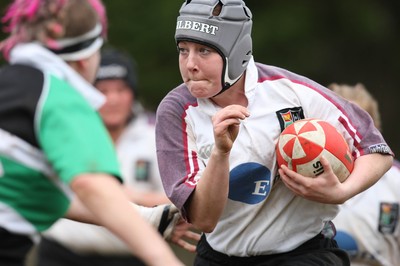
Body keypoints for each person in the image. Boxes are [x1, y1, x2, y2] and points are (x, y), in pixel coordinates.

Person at [155, 1, 394, 265]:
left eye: (204, 51)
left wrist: (342, 191)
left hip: (304, 253)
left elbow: (375, 150)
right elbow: (204, 220)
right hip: (219, 257)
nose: (190, 64)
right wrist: (221, 153)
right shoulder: (176, 111)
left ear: (236, 51)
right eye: (183, 50)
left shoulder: (293, 93)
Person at [0, 1, 189, 265]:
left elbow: (34, 190)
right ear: (86, 57)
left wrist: (146, 218)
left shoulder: (10, 83)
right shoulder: (60, 98)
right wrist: (164, 260)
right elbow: (91, 186)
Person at [35, 48, 198, 266]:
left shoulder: (156, 135)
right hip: (61, 255)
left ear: (132, 93)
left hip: (130, 257)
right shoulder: (65, 131)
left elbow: (185, 198)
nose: (112, 99)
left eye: (121, 90)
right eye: (103, 90)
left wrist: (127, 195)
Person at [329, 83, 400, 266]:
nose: (350, 135)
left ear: (375, 131)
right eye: (340, 126)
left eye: (359, 126)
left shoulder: (395, 182)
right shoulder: (299, 179)